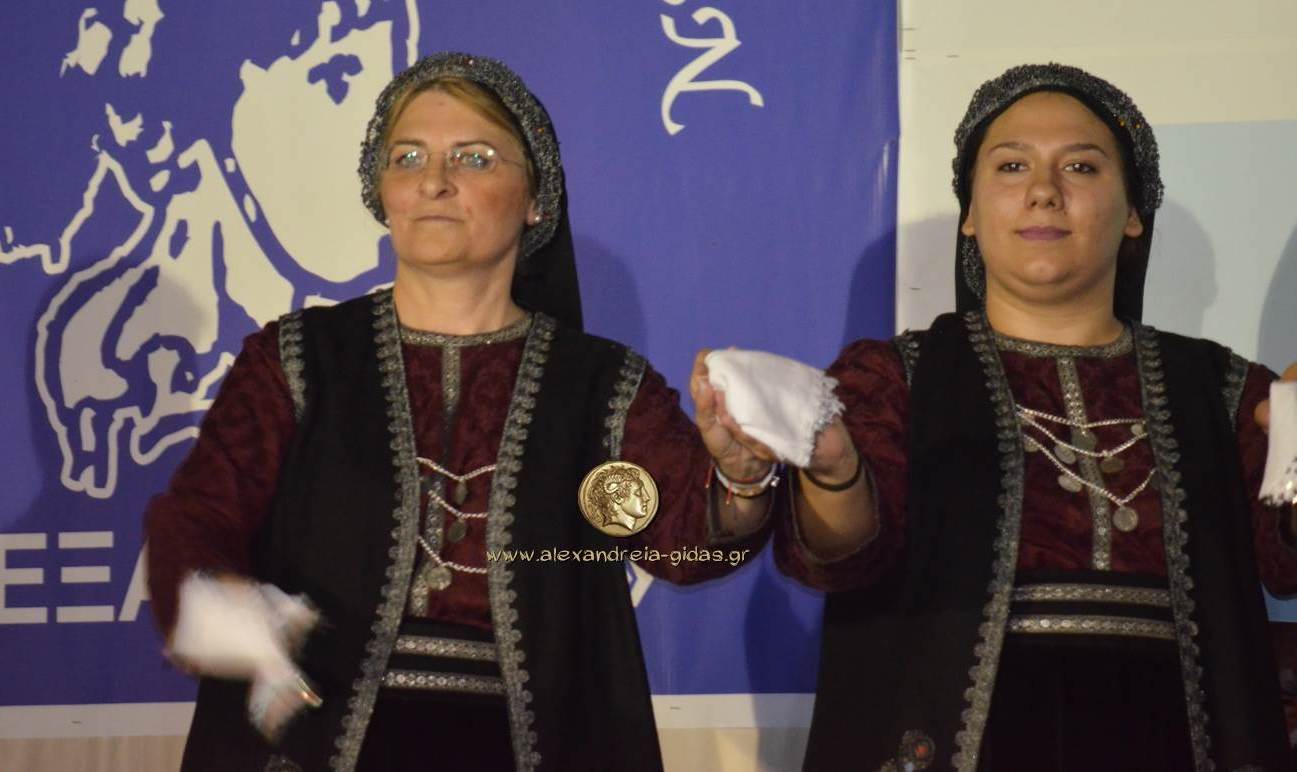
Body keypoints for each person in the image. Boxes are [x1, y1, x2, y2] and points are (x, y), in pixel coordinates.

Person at [143, 52, 776, 772]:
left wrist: (741, 476)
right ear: (381, 191)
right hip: (312, 738)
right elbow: (199, 515)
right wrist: (219, 599)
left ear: (537, 199)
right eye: (407, 157)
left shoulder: (599, 385)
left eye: (473, 158)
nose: (433, 182)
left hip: (528, 744)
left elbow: (688, 541)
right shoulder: (297, 360)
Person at [710, 63, 1297, 770]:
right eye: (1012, 166)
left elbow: (1286, 564)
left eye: (1080, 166)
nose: (1043, 191)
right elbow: (840, 555)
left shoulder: (1227, 390)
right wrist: (834, 472)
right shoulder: (889, 379)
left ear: (1134, 213)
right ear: (969, 212)